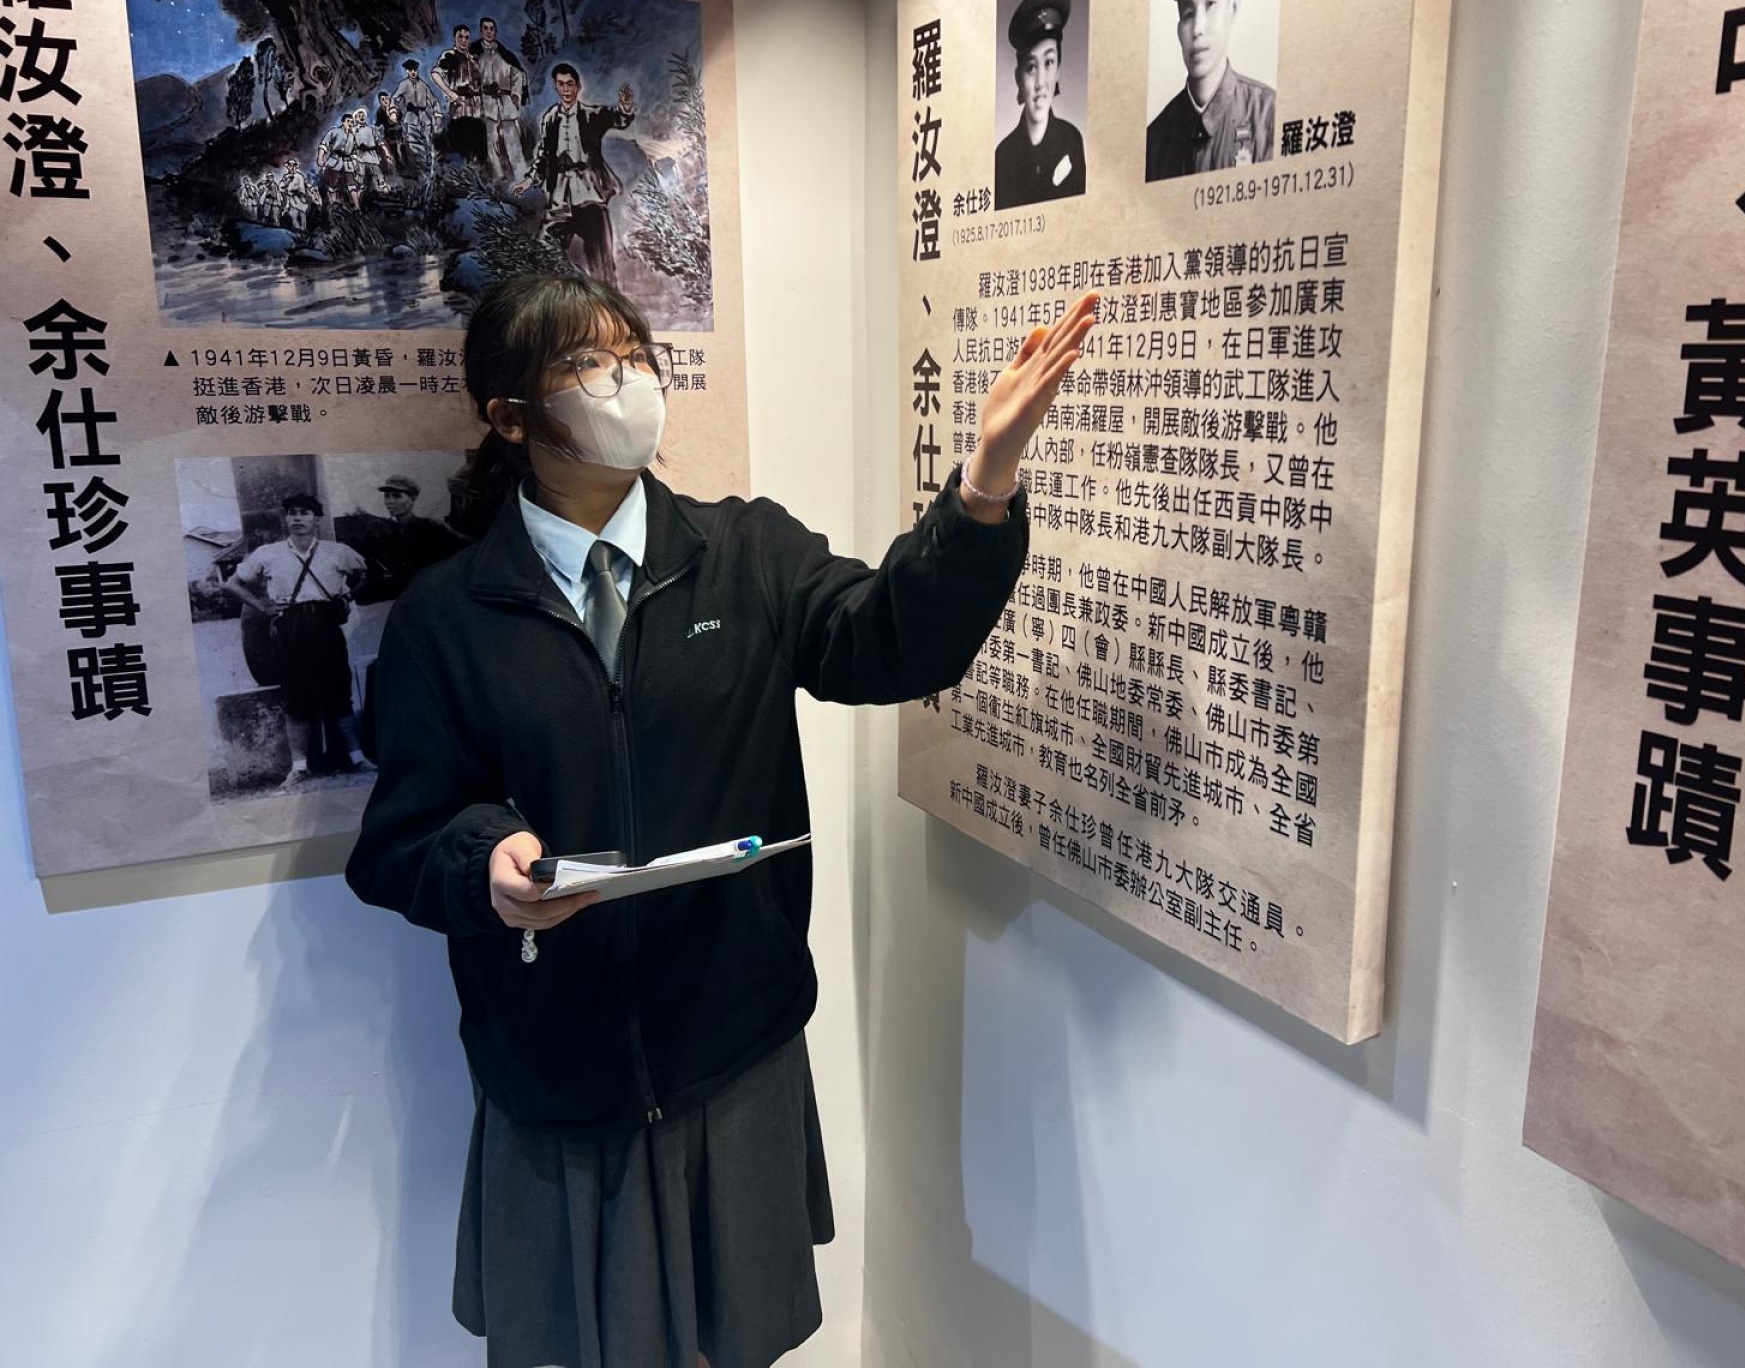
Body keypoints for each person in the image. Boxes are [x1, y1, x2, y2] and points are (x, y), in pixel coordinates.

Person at [345, 272, 1096, 1367]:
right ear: (510, 418)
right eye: (586, 365)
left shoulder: (745, 554)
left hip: (733, 1043)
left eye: (634, 355)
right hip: (558, 1070)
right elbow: (398, 840)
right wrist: (484, 864)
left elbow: (889, 643)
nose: (627, 383)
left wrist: (983, 489)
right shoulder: (447, 617)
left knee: (732, 1349)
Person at [227, 492, 373, 790]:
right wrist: (262, 607)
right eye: (292, 513)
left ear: (316, 519)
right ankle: (299, 768)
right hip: (290, 627)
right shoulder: (269, 553)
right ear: (286, 519)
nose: (297, 518)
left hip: (326, 624)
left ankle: (358, 758)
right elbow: (232, 583)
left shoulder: (337, 551)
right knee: (296, 699)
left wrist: (347, 596)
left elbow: (367, 574)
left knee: (339, 694)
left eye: (304, 513)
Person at [1144, 0, 1277, 182]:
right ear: (1178, 28)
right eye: (1188, 13)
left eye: (1210, 4)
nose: (1198, 29)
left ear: (1234, 6)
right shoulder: (1155, 141)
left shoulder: (1268, 116)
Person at [515, 63, 636, 284]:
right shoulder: (550, 119)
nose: (566, 89)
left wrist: (626, 106)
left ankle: (607, 297)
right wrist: (529, 180)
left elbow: (619, 118)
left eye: (569, 84)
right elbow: (543, 156)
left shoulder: (591, 115)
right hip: (560, 198)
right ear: (556, 86)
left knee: (602, 265)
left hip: (590, 196)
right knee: (544, 251)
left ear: (578, 87)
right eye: (561, 84)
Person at [994, 0, 1087, 209]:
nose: (1040, 83)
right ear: (1018, 78)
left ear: (1058, 70)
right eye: (1031, 67)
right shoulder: (1003, 156)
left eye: (1049, 63)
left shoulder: (1072, 141)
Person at [360, 473, 466, 601]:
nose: (390, 501)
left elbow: (465, 550)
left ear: (412, 499)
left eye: (397, 496)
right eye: (387, 496)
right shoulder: (391, 535)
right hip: (409, 599)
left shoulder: (431, 527)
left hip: (436, 595)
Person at [473, 15, 530, 184]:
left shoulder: (505, 55)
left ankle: (521, 175)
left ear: (495, 32)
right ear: (481, 31)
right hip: (487, 103)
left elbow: (518, 75)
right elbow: (471, 79)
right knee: (491, 141)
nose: (489, 32)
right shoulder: (476, 55)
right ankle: (498, 176)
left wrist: (516, 94)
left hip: (506, 102)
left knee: (513, 140)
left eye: (491, 28)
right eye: (485, 28)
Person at [433, 24, 487, 168]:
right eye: (460, 37)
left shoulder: (474, 59)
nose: (464, 40)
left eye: (467, 37)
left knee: (479, 148)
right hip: (460, 109)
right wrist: (451, 94)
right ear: (454, 38)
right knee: (462, 147)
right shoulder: (450, 56)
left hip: (476, 110)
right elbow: (436, 74)